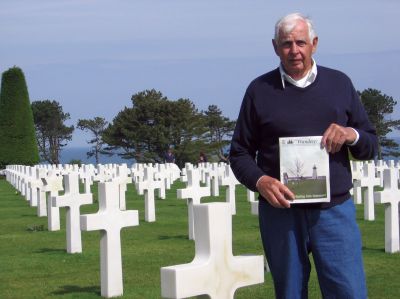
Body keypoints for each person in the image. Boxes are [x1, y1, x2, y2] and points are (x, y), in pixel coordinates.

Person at [230, 13, 378, 299]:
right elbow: (239, 153)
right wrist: (260, 181)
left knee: (349, 292)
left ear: (314, 44)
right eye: (286, 44)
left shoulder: (340, 84)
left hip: (334, 212)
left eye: (301, 42)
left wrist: (351, 134)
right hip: (281, 214)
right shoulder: (259, 90)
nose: (294, 50)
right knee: (290, 293)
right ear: (275, 47)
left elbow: (370, 144)